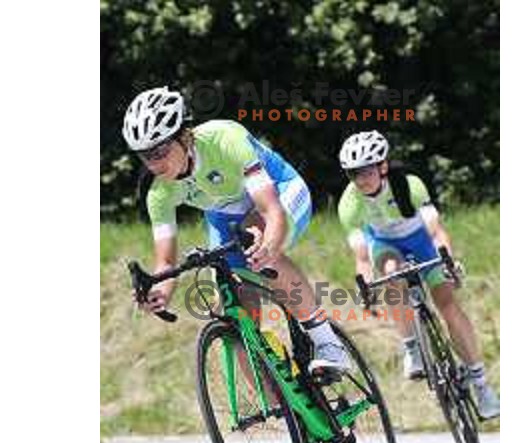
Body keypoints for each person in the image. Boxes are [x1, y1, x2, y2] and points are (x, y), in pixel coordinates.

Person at [122, 86, 350, 375]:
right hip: (224, 216)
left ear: (184, 136)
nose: (154, 163)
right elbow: (166, 262)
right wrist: (160, 293)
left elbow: (271, 211)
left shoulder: (224, 139)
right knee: (236, 316)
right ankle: (287, 410)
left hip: (281, 191)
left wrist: (269, 247)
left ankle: (327, 341)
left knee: (257, 240)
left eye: (160, 150)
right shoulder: (158, 192)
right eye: (145, 155)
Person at [337, 131, 500, 419]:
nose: (360, 179)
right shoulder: (349, 204)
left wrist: (447, 260)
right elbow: (362, 257)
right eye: (352, 174)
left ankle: (481, 384)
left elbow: (436, 231)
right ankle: (412, 346)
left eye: (365, 171)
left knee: (448, 306)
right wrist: (364, 284)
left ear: (383, 166)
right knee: (389, 273)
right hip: (385, 246)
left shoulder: (409, 185)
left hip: (421, 241)